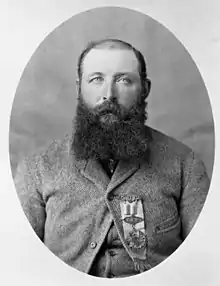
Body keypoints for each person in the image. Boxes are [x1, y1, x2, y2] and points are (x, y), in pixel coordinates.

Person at [14, 39, 210, 278]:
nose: (109, 95)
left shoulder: (185, 165)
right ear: (79, 88)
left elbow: (205, 260)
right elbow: (18, 263)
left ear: (145, 89)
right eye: (96, 79)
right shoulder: (37, 169)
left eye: (124, 80)